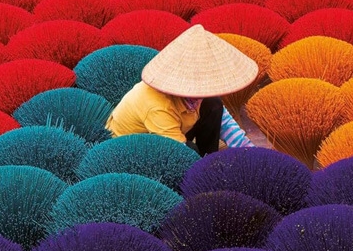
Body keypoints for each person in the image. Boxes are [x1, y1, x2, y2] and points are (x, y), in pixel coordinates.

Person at [106, 25, 258, 156]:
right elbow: (180, 153)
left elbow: (225, 123)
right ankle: (204, 168)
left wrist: (251, 152)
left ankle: (209, 158)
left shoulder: (195, 94)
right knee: (190, 151)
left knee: (213, 104)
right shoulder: (157, 106)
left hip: (170, 129)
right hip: (134, 148)